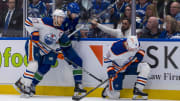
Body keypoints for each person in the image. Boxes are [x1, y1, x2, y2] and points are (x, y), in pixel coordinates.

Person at [13, 9, 86, 98]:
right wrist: (34, 32)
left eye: (63, 18)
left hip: (44, 50)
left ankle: (22, 83)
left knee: (41, 66)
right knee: (34, 64)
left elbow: (54, 42)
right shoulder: (46, 21)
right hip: (34, 45)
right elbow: (28, 21)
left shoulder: (61, 29)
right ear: (55, 17)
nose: (62, 20)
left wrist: (58, 51)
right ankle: (24, 85)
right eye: (60, 18)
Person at [102, 36, 151, 100]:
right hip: (118, 69)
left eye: (135, 48)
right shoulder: (115, 48)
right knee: (115, 96)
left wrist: (138, 56)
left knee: (145, 67)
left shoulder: (136, 44)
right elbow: (106, 59)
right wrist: (110, 70)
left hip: (129, 66)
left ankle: (138, 89)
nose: (134, 50)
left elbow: (141, 50)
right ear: (127, 44)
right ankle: (108, 89)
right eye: (131, 48)